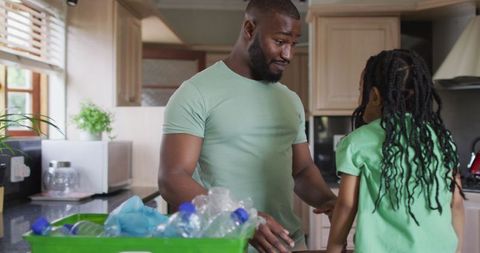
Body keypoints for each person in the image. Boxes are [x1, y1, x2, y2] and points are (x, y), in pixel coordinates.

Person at [158, 0, 337, 252]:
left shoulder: (290, 99)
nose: (288, 55)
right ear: (250, 29)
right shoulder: (196, 92)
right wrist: (245, 220)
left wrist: (331, 201)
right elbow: (172, 178)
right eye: (280, 41)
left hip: (287, 244)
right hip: (225, 245)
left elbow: (303, 170)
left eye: (293, 44)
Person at [323, 49, 465, 253]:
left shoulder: (357, 142)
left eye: (360, 91)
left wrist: (334, 248)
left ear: (374, 96)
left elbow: (346, 205)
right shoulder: (441, 139)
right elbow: (457, 204)